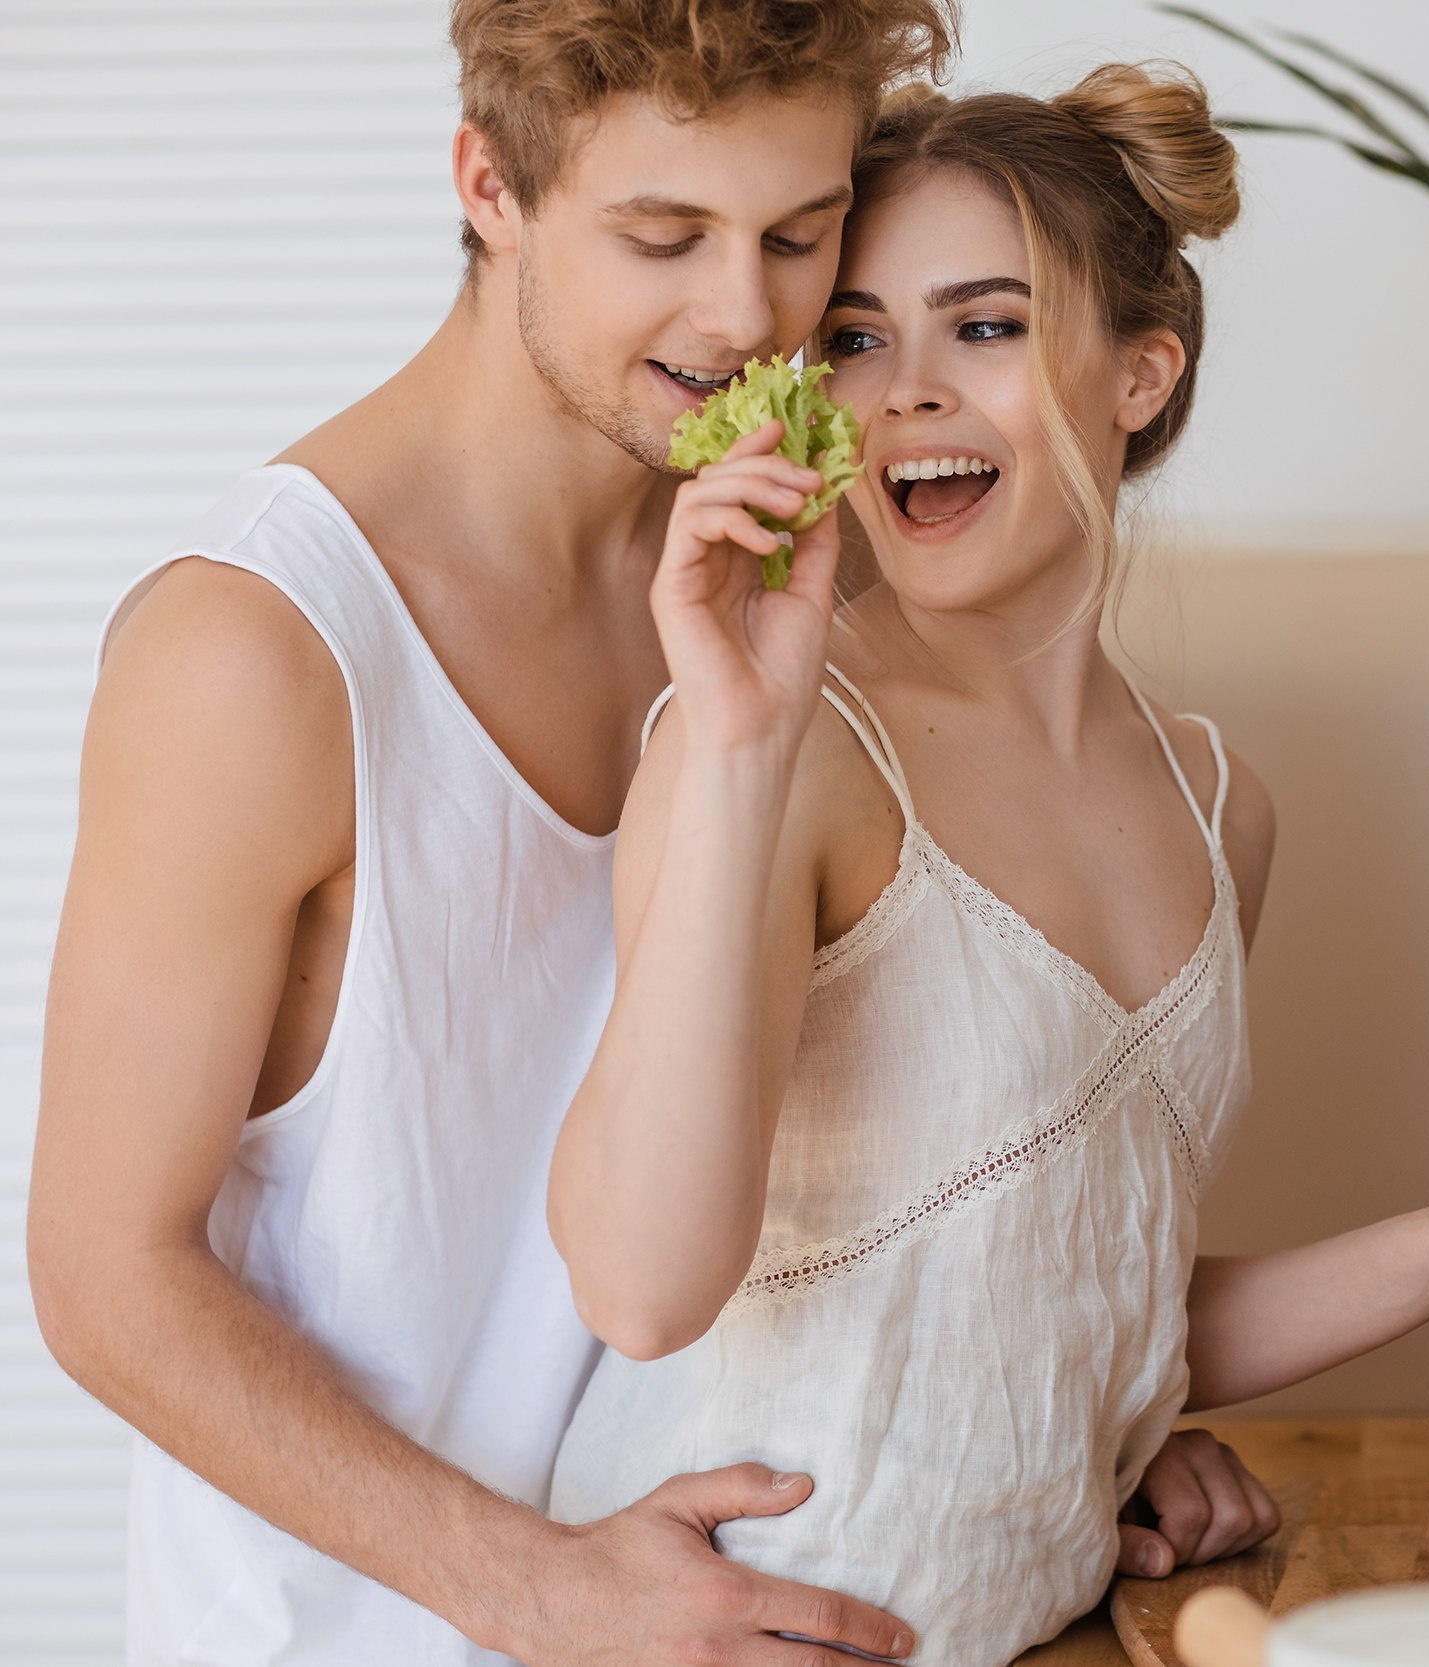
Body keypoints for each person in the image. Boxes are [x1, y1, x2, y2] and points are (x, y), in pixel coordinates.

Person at [27, 7, 1273, 1663]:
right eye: (662, 235)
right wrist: (541, 1590)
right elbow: (105, 1279)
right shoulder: (257, 655)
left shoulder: (779, 564)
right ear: (489, 185)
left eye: (797, 236)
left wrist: (1068, 1415)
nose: (742, 310)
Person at [544, 65, 1429, 1667]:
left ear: (1140, 375)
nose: (903, 391)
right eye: (853, 337)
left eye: (984, 326)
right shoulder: (778, 740)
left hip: (1038, 1633)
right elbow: (637, 1286)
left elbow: (1087, 1288)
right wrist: (741, 750)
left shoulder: (1218, 801)